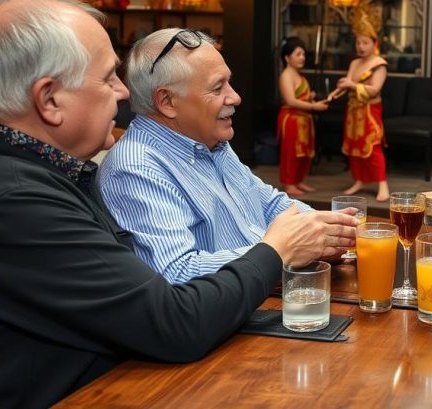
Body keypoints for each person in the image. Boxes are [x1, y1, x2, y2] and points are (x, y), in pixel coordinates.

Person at [0, 0, 357, 406]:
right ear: (49, 100)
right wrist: (277, 250)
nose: (123, 93)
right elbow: (175, 320)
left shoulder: (17, 172)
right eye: (107, 78)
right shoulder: (9, 199)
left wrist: (306, 235)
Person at [99, 27, 354, 284]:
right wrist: (280, 252)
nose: (235, 97)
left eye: (228, 82)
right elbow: (175, 274)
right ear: (167, 101)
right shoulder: (136, 168)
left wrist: (333, 230)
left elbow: (270, 204)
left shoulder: (210, 142)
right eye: (218, 88)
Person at [336, 3, 390, 202]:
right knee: (353, 147)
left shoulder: (379, 64)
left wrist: (350, 84)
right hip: (353, 110)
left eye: (365, 43)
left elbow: (374, 90)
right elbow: (349, 84)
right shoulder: (354, 63)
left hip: (369, 110)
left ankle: (382, 184)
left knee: (373, 146)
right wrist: (339, 89)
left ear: (374, 43)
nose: (361, 46)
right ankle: (359, 180)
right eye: (358, 42)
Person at [277, 36, 328, 195]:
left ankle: (298, 180)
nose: (302, 58)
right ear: (287, 57)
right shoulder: (286, 75)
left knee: (304, 153)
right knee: (291, 152)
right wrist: (313, 106)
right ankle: (289, 184)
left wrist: (309, 97)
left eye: (303, 54)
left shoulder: (300, 75)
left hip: (304, 120)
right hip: (292, 119)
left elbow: (300, 97)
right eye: (298, 54)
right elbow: (291, 101)